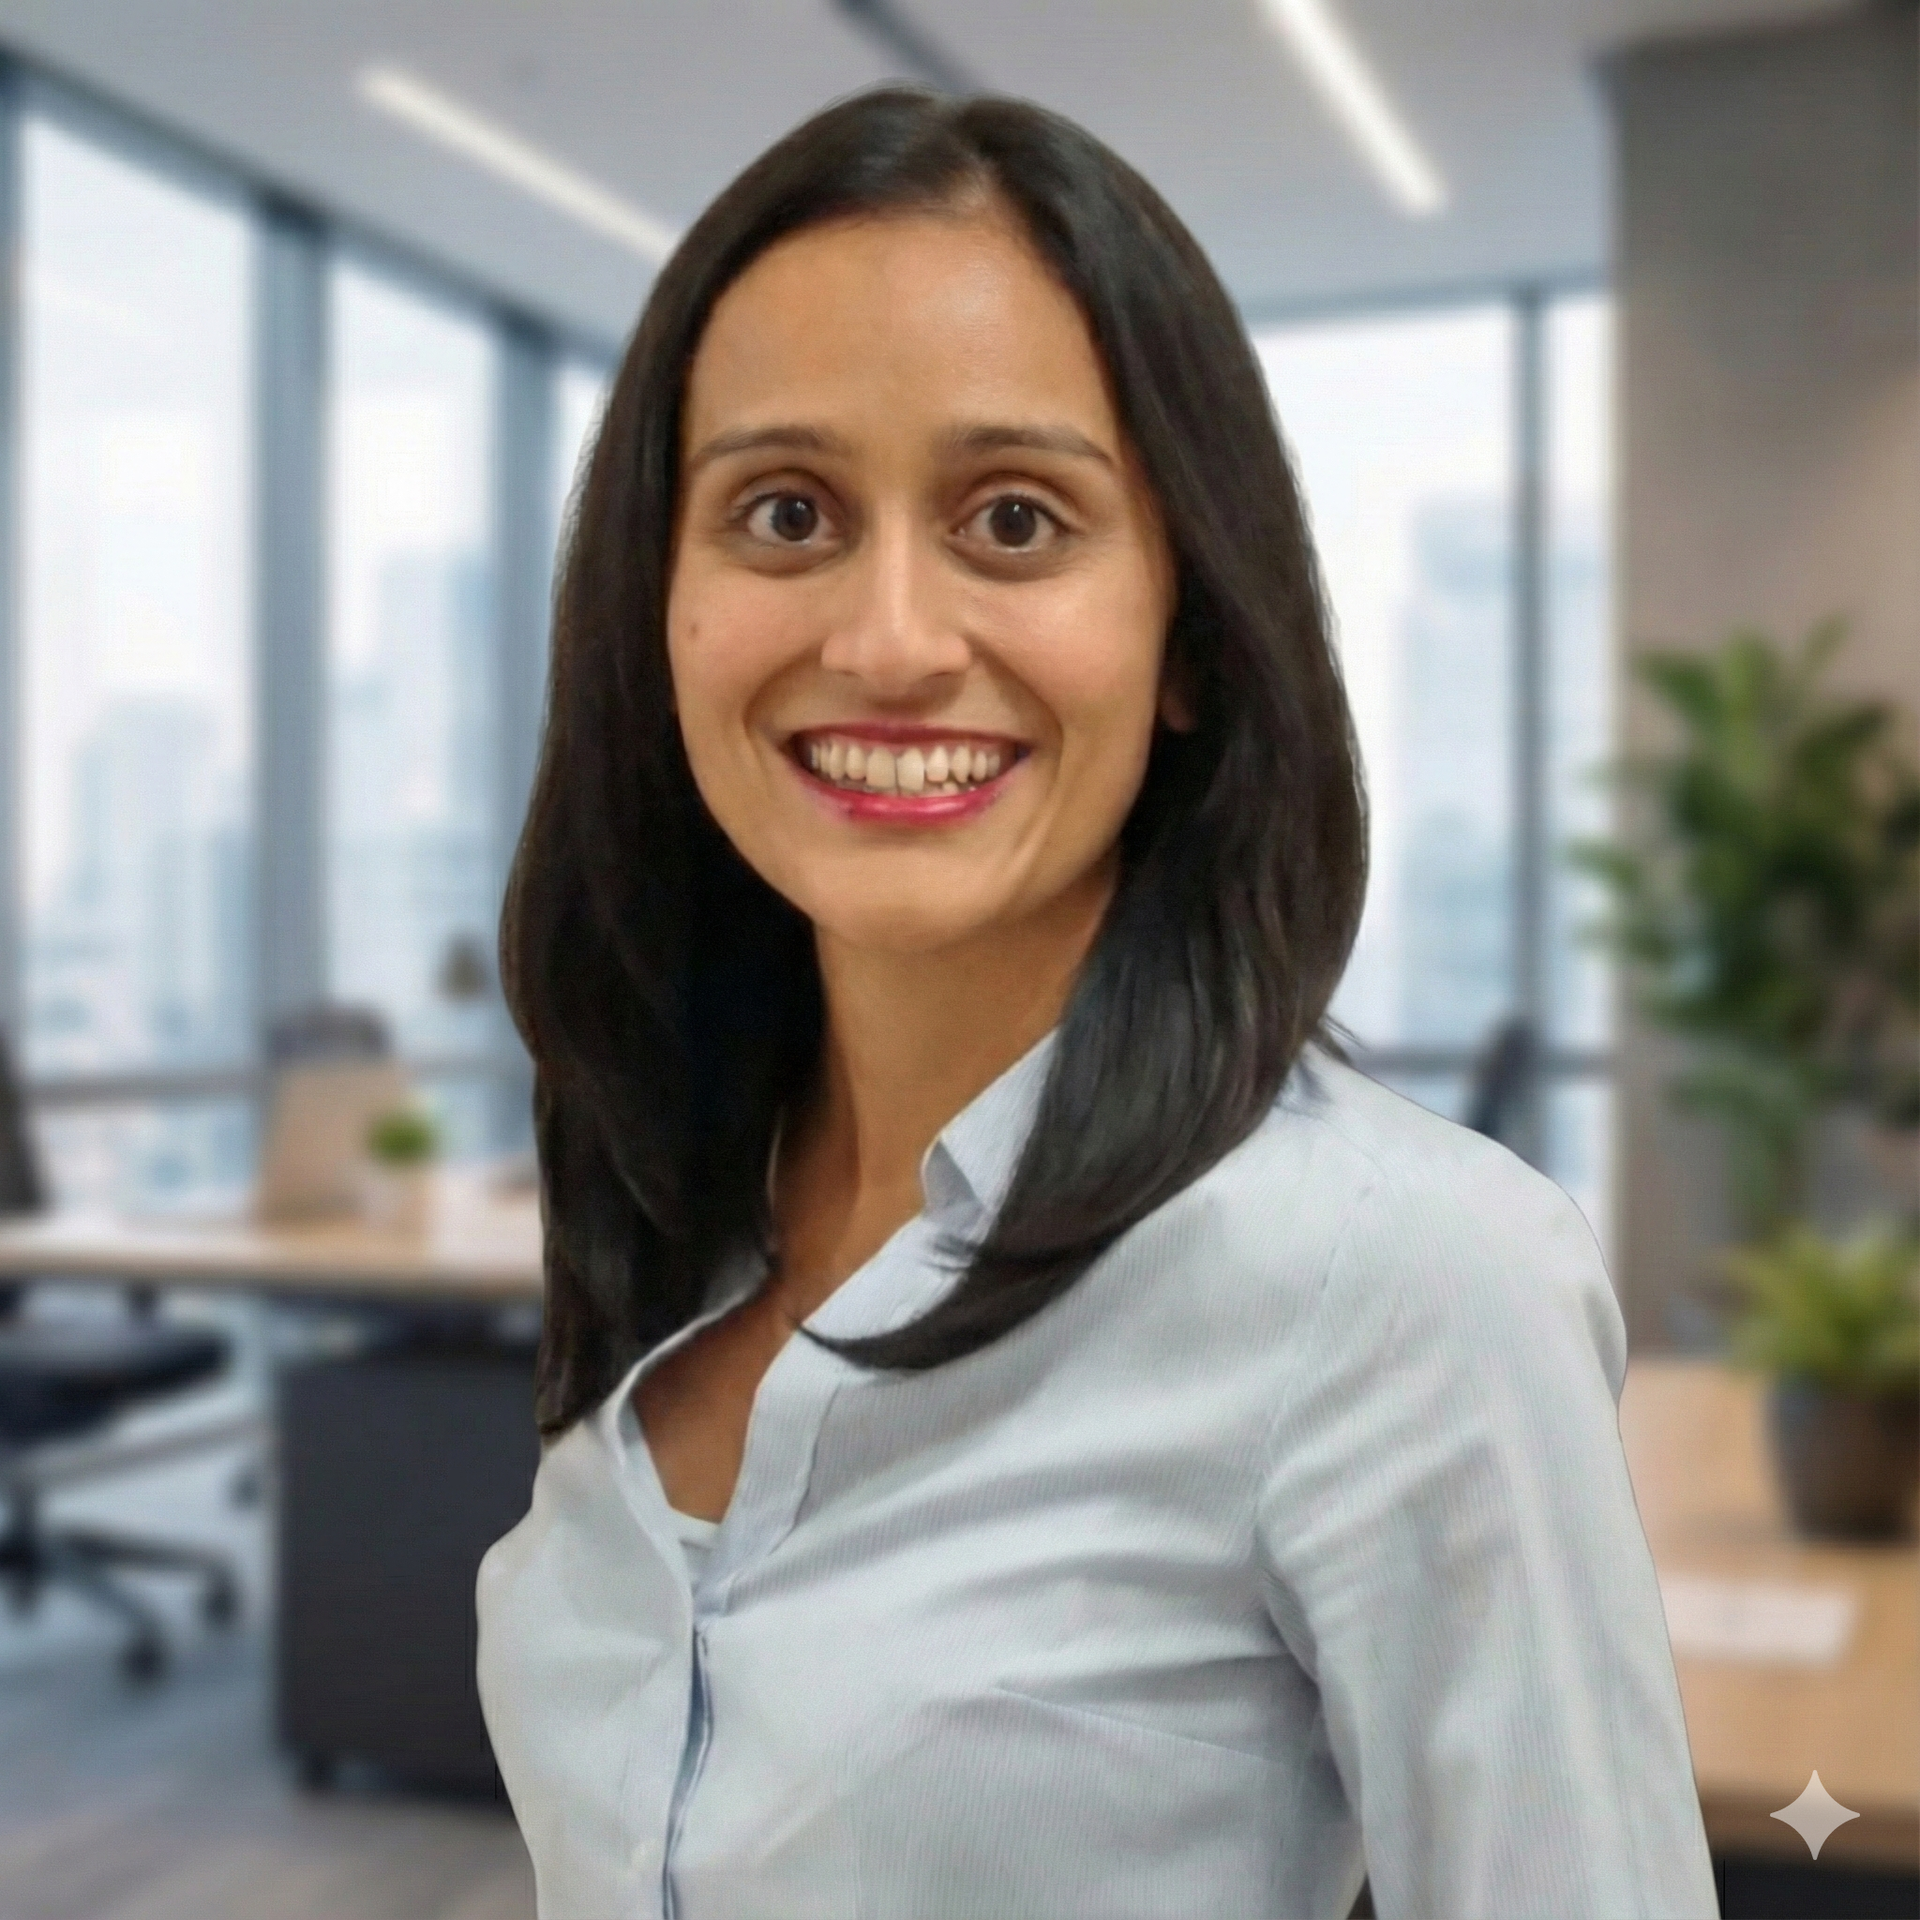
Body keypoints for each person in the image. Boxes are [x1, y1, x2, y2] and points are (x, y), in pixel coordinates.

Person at [477, 85, 1716, 1920]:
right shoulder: (673, 1197)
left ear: (1192, 635)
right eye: (788, 511)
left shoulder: (1406, 1284)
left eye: (1015, 521)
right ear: (658, 605)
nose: (889, 639)